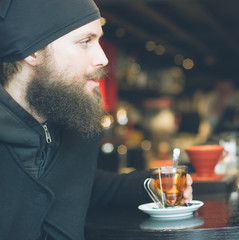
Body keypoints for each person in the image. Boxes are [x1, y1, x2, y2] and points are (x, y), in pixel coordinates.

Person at [0, 0, 192, 239]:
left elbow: (81, 186)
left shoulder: (74, 123)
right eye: (85, 42)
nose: (103, 58)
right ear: (32, 51)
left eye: (98, 41)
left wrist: (151, 185)